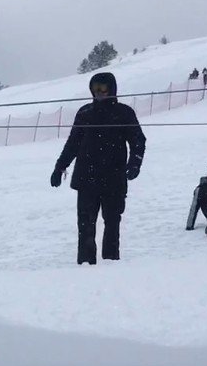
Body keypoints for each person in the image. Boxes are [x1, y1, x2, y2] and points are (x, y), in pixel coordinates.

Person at [51, 72, 146, 264]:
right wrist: (59, 167)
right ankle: (86, 265)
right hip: (87, 179)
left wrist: (135, 163)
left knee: (112, 223)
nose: (99, 92)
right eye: (95, 88)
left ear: (112, 89)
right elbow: (73, 144)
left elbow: (138, 140)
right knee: (85, 226)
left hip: (114, 178)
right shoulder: (85, 113)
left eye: (103, 88)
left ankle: (110, 264)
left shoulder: (123, 113)